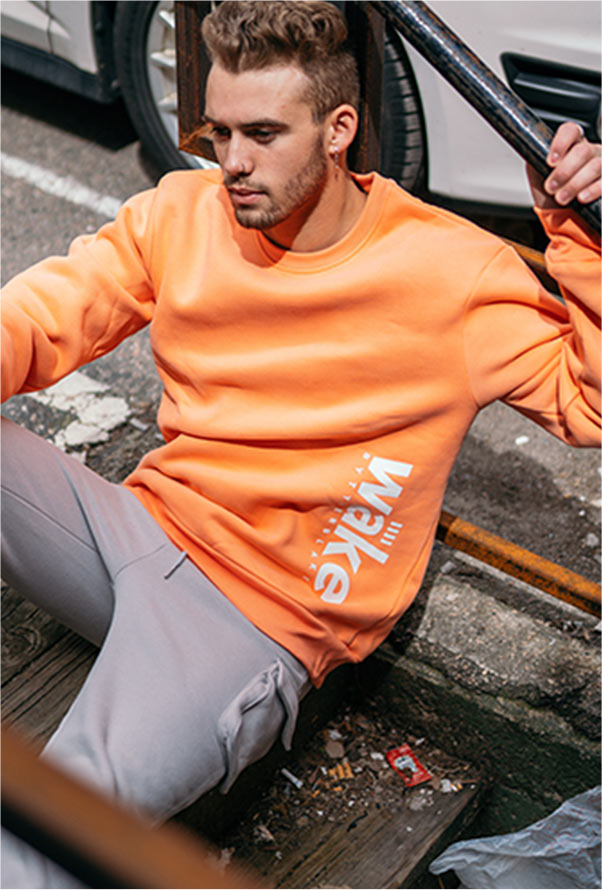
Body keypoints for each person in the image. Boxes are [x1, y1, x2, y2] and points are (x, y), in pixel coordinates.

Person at [1, 2, 600, 886]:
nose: (232, 162)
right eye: (221, 131)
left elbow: (590, 404)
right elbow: (42, 314)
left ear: (338, 129)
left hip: (250, 618)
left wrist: (577, 237)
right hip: (139, 528)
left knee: (40, 834)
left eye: (264, 134)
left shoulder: (452, 273)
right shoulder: (183, 212)